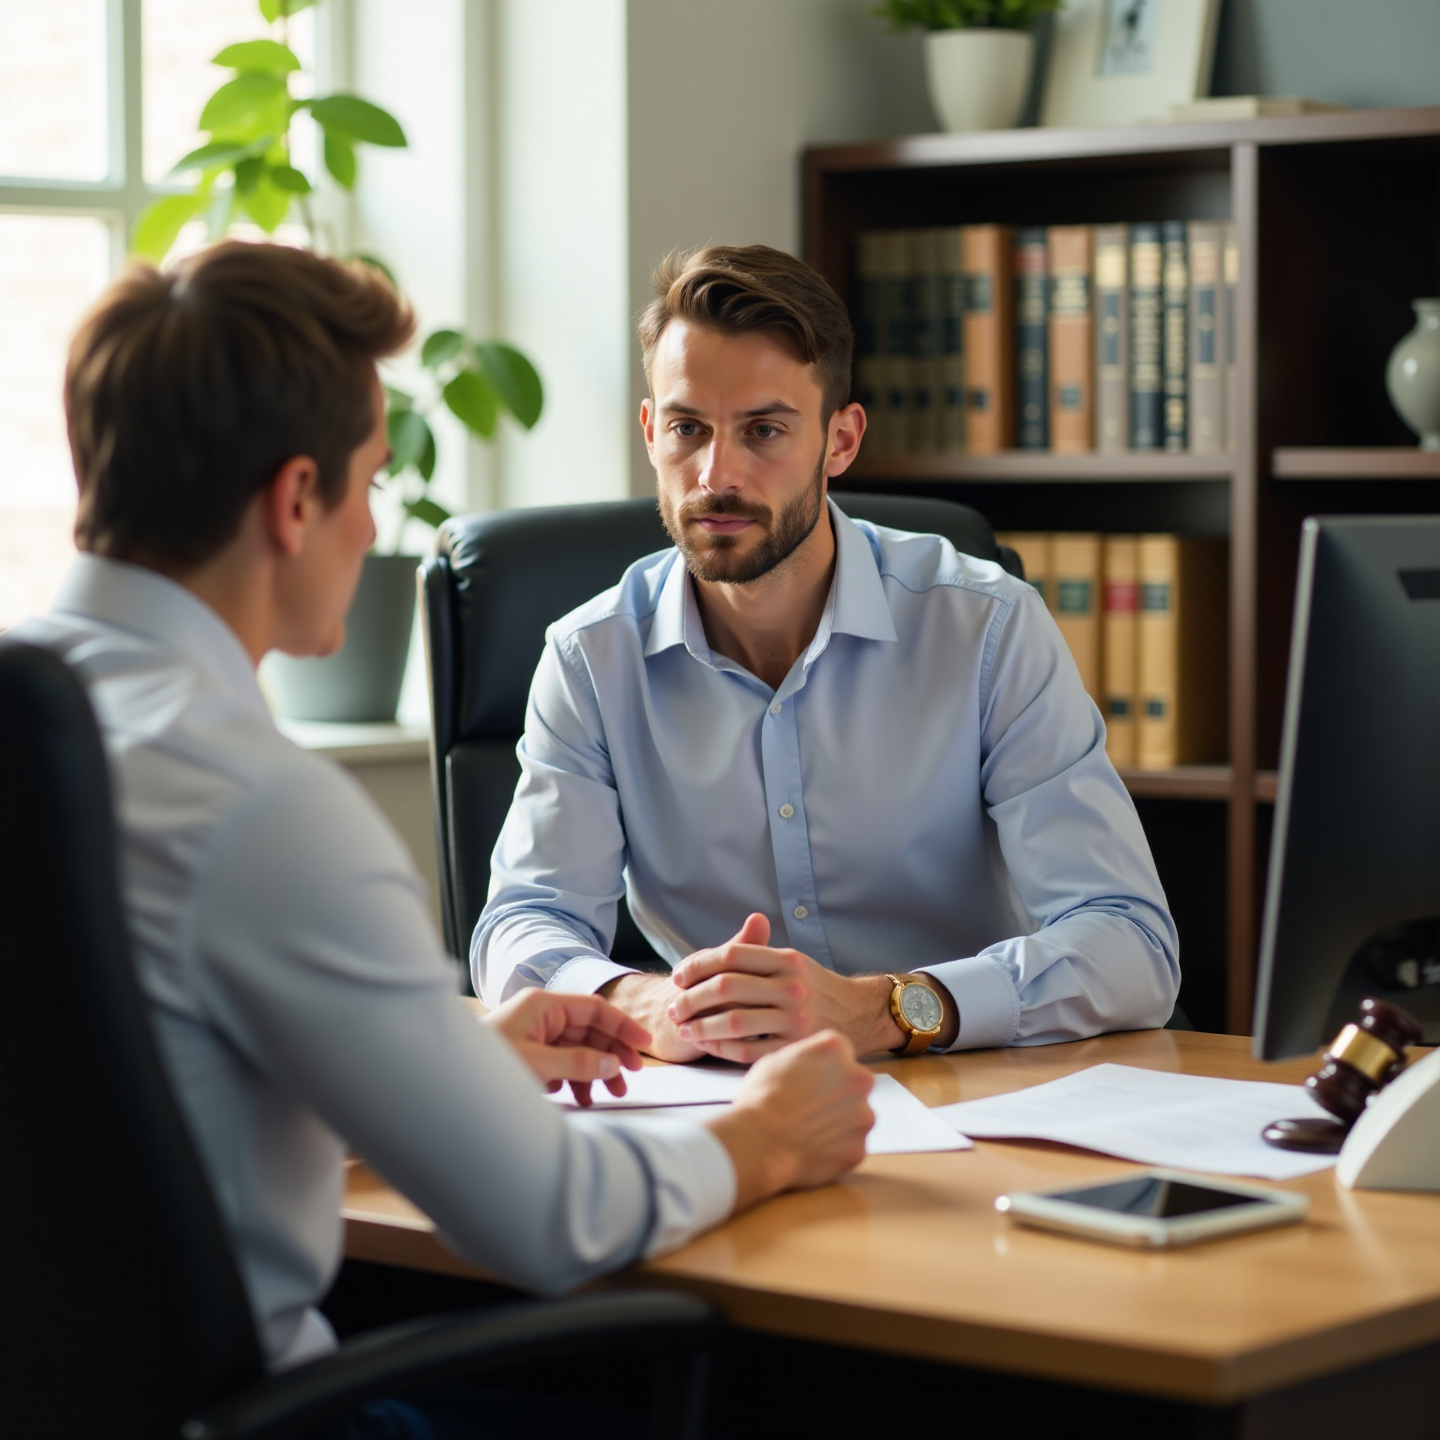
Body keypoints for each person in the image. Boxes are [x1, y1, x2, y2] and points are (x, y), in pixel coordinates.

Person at [12, 241, 874, 1390]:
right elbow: (555, 1218)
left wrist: (443, 1056)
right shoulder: (262, 810)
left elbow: (116, 1094)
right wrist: (766, 1135)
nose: (374, 530)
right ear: (296, 500)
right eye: (370, 483)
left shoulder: (53, 731)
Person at [477, 244, 1180, 1064]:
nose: (716, 473)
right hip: (720, 1102)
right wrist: (640, 1000)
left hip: (972, 1092)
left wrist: (888, 1010)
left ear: (840, 441)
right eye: (687, 428)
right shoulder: (590, 660)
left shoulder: (987, 629)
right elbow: (520, 923)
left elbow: (1132, 943)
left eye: (764, 430)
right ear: (650, 432)